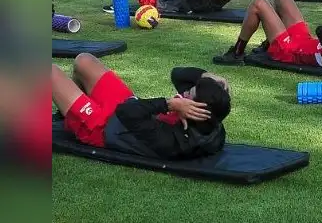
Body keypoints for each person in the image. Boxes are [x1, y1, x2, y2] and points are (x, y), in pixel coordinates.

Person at [51, 53, 231, 159]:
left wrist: (168, 104)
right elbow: (177, 74)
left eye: (188, 95)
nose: (182, 94)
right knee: (84, 60)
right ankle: (67, 112)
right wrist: (208, 76)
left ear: (195, 108)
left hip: (104, 128)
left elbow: (125, 113)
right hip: (132, 109)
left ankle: (71, 116)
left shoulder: (171, 141)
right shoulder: (209, 116)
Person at [215, 0, 322, 67]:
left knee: (259, 3)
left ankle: (237, 53)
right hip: (304, 41)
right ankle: (267, 44)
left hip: (289, 51)